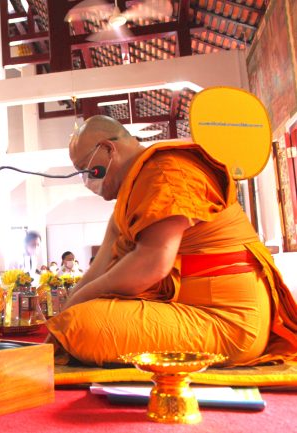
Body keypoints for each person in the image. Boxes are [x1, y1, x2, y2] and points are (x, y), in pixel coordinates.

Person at [46, 115, 297, 367]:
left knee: (81, 325)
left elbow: (151, 265)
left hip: (228, 319)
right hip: (190, 308)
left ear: (109, 149)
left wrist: (71, 312)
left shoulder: (165, 172)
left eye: (88, 169)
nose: (87, 181)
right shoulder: (130, 197)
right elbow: (98, 270)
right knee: (74, 319)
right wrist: (68, 307)